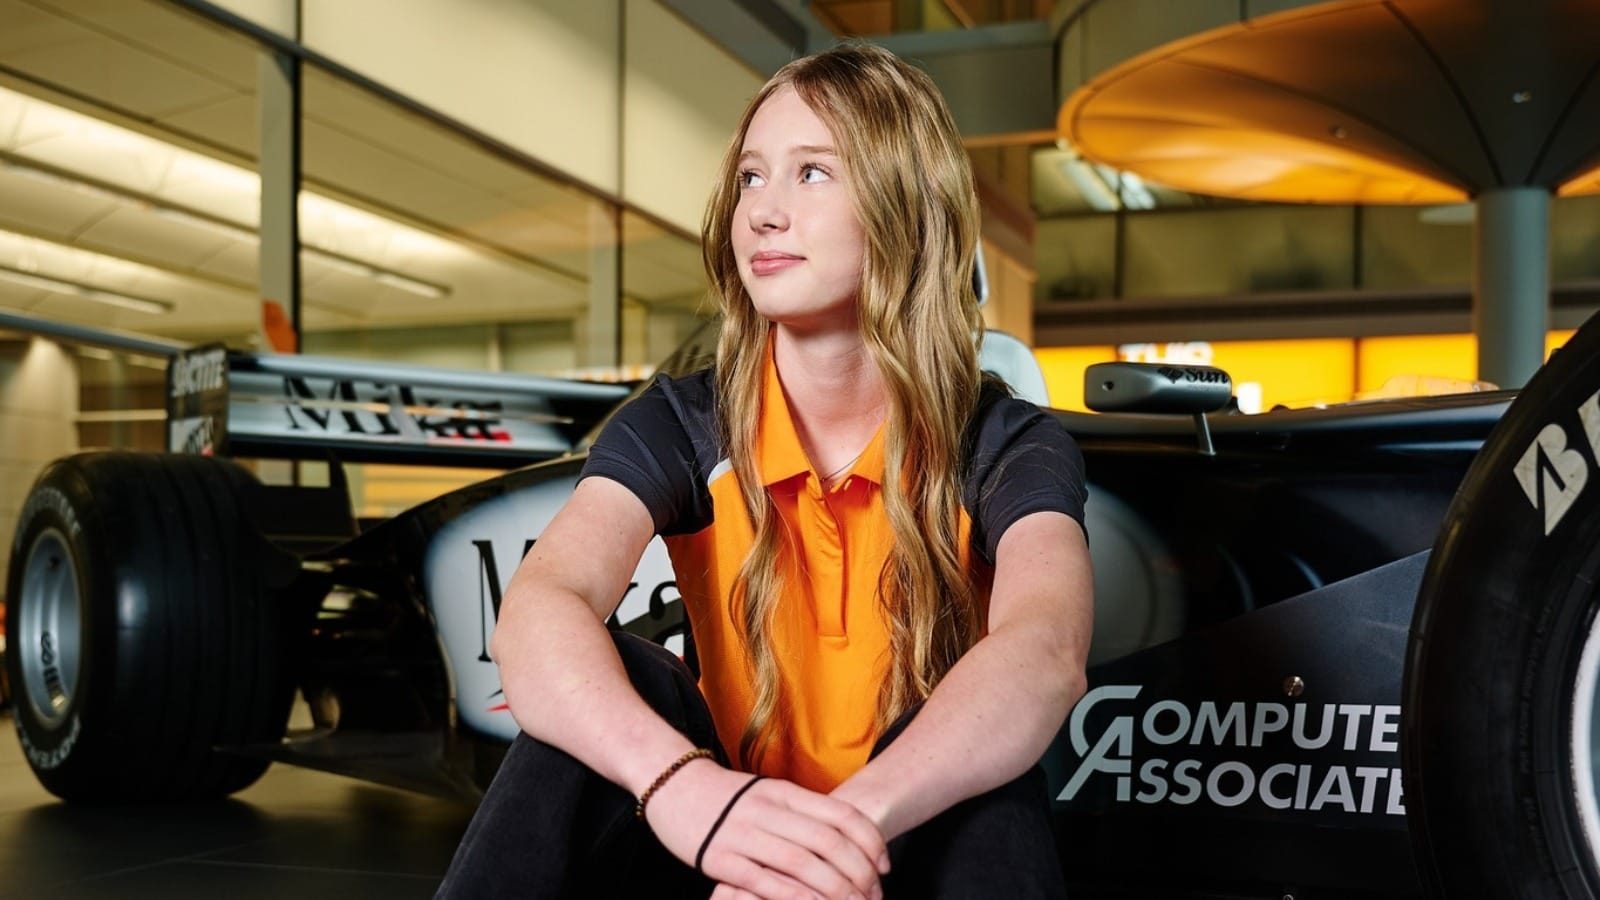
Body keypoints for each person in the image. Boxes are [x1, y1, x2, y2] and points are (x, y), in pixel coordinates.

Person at [436, 42, 1092, 900]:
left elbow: (1046, 650)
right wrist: (689, 794)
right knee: (630, 679)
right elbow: (536, 611)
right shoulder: (683, 421)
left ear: (907, 203)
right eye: (751, 178)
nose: (763, 214)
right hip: (714, 839)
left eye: (812, 173)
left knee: (983, 760)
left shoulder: (1008, 441)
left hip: (893, 846)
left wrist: (821, 847)